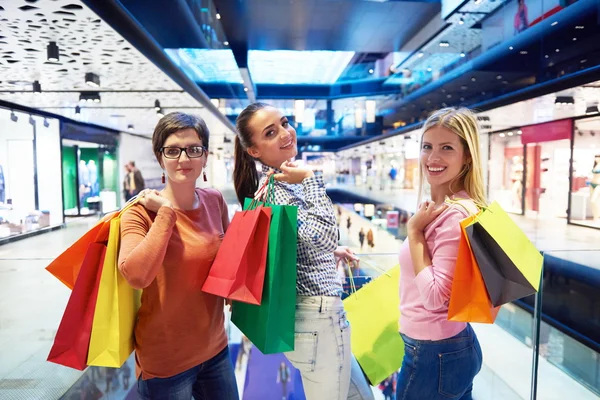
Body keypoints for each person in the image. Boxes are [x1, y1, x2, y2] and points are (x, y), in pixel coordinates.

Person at [233, 103, 374, 400]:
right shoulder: (288, 185)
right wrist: (311, 179)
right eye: (271, 133)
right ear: (254, 150)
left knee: (360, 397)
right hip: (318, 318)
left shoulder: (272, 185)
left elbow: (294, 241)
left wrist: (329, 252)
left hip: (308, 316)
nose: (286, 133)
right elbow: (322, 235)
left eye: (285, 123)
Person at [118, 112, 238, 399]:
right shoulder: (139, 213)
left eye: (193, 149)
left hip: (216, 349)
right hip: (166, 363)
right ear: (160, 158)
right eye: (172, 150)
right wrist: (166, 215)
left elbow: (233, 260)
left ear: (205, 156)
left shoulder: (214, 200)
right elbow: (136, 275)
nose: (183, 159)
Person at [396, 107, 484, 399]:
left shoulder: (454, 216)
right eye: (427, 147)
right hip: (449, 346)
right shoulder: (441, 207)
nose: (432, 158)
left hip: (434, 353)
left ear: (466, 156)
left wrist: (414, 233)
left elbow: (435, 298)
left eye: (446, 148)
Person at [591, 155, 600, 222]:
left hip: (598, 184)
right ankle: (595, 216)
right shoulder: (595, 165)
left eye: (598, 157)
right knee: (592, 201)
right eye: (595, 157)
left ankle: (597, 215)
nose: (596, 158)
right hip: (592, 184)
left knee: (593, 201)